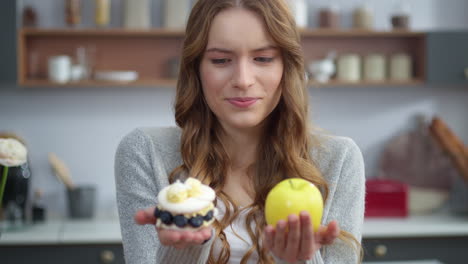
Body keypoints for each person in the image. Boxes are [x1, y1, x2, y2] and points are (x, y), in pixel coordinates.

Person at [114, 0, 365, 263]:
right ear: (196, 69)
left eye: (264, 58)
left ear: (287, 68)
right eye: (221, 60)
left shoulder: (339, 159)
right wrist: (182, 252)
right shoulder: (144, 152)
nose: (243, 80)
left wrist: (300, 260)